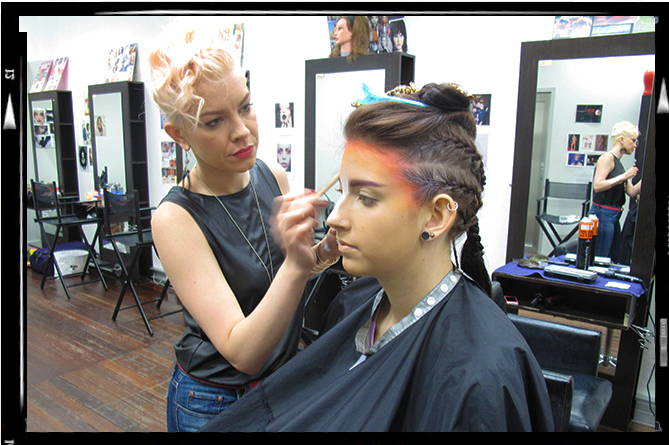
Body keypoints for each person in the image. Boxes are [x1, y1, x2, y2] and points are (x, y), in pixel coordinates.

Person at [201, 82, 554, 432]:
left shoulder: (480, 376)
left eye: (366, 198)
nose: (335, 218)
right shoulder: (353, 303)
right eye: (342, 192)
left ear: (436, 216)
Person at [148, 29, 339, 432]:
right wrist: (297, 265)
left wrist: (323, 252)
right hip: (215, 401)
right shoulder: (176, 218)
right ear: (179, 135)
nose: (242, 131)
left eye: (245, 107)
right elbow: (243, 352)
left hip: (281, 383)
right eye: (214, 121)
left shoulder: (273, 176)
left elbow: (277, 280)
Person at [589, 121, 642, 260]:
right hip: (602, 214)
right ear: (622, 139)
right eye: (633, 140)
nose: (635, 145)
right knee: (600, 258)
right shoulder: (607, 158)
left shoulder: (619, 164)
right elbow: (598, 185)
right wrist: (624, 176)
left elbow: (631, 192)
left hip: (613, 216)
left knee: (612, 257)